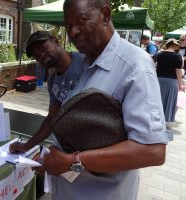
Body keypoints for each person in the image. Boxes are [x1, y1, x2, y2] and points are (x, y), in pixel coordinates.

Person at [33, 1, 172, 200]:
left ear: (105, 15)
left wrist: (71, 161)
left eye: (81, 21)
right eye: (68, 26)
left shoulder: (134, 66)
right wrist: (53, 157)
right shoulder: (88, 64)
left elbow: (152, 151)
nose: (73, 32)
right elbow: (89, 130)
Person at [9, 31, 85, 153]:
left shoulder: (85, 62)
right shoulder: (52, 81)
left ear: (56, 41)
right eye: (37, 56)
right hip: (71, 147)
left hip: (96, 147)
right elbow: (52, 117)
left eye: (43, 48)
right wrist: (26, 146)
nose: (42, 55)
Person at [154, 38, 183, 123]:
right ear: (174, 45)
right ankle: (165, 120)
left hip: (158, 80)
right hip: (171, 82)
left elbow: (151, 64)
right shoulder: (178, 56)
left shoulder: (159, 53)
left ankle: (155, 118)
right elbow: (178, 71)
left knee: (157, 99)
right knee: (169, 101)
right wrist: (180, 84)